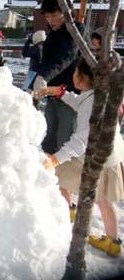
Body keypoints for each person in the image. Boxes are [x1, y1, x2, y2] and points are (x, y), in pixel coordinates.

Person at [40, 59, 124, 257]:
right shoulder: (96, 95)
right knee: (103, 200)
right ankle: (113, 242)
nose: (73, 74)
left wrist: (55, 159)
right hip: (109, 155)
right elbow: (79, 102)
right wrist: (59, 92)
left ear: (82, 77)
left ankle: (68, 209)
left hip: (97, 157)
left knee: (59, 173)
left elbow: (81, 140)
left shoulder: (94, 102)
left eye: (75, 71)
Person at [33, 0, 84, 155]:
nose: (50, 19)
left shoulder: (76, 31)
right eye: (47, 16)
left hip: (70, 95)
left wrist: (44, 76)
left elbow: (65, 57)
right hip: (52, 94)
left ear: (66, 12)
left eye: (54, 15)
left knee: (65, 139)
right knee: (49, 136)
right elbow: (46, 62)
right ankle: (48, 174)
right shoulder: (52, 35)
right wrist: (35, 82)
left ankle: (66, 176)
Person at [90, 27, 124, 125]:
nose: (96, 52)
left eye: (99, 49)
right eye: (94, 48)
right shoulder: (94, 58)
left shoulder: (114, 60)